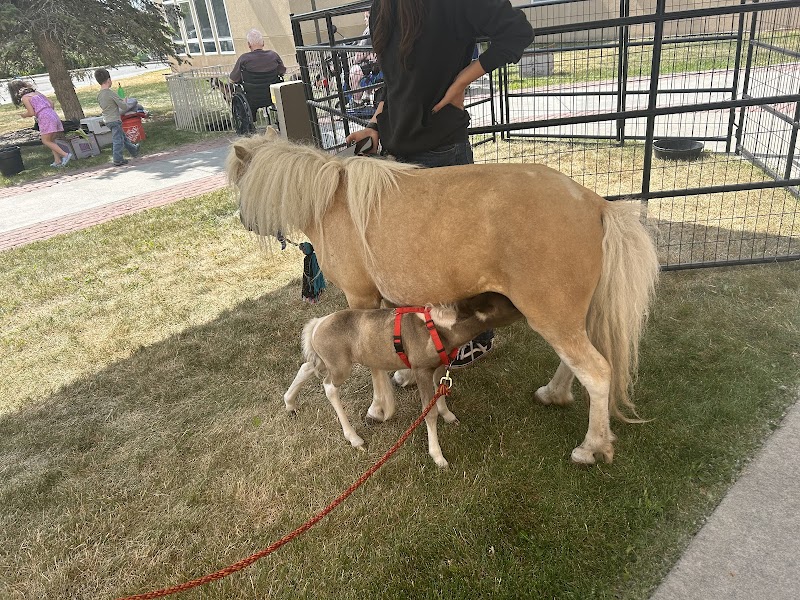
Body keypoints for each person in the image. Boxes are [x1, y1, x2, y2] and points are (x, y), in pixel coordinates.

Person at [345, 0, 533, 368]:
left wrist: (460, 82)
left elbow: (516, 33)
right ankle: (427, 337)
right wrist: (377, 125)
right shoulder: (385, 5)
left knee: (461, 254)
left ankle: (476, 336)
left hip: (444, 152)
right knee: (416, 259)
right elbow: (397, 78)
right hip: (398, 157)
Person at [7, 80, 72, 168]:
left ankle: (65, 155)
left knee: (45, 140)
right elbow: (51, 103)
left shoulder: (25, 98)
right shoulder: (36, 93)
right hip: (53, 114)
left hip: (44, 117)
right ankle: (57, 161)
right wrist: (48, 111)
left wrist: (24, 115)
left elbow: (31, 112)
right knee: (51, 140)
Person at [94, 69, 140, 167]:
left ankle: (134, 150)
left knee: (122, 137)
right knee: (117, 140)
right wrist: (125, 101)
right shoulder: (110, 93)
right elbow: (123, 106)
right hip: (115, 119)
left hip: (107, 120)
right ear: (108, 80)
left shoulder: (99, 95)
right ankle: (117, 159)